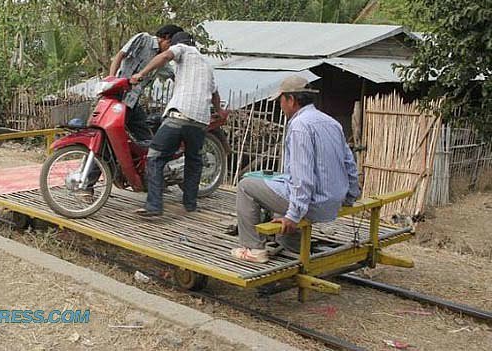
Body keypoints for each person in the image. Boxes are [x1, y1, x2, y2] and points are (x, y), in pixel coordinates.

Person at [231, 75, 360, 263]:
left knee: (245, 185)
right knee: (280, 182)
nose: (280, 106)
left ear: (291, 100)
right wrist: (350, 197)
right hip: (333, 200)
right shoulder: (331, 122)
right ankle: (291, 244)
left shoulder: (300, 126)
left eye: (281, 101)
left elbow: (303, 176)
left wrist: (293, 215)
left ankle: (253, 248)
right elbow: (350, 164)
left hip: (314, 204)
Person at [130, 31, 226, 217]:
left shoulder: (182, 49)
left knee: (155, 157)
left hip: (179, 115)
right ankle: (189, 205)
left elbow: (165, 56)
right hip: (200, 122)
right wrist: (220, 112)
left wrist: (141, 74)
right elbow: (214, 93)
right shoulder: (206, 64)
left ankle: (154, 206)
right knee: (194, 161)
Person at [109, 24, 183, 141]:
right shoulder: (144, 39)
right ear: (166, 38)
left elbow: (173, 75)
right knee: (110, 130)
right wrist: (111, 79)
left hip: (132, 101)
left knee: (144, 135)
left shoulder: (162, 60)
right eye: (171, 45)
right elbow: (120, 55)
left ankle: (147, 157)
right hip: (118, 93)